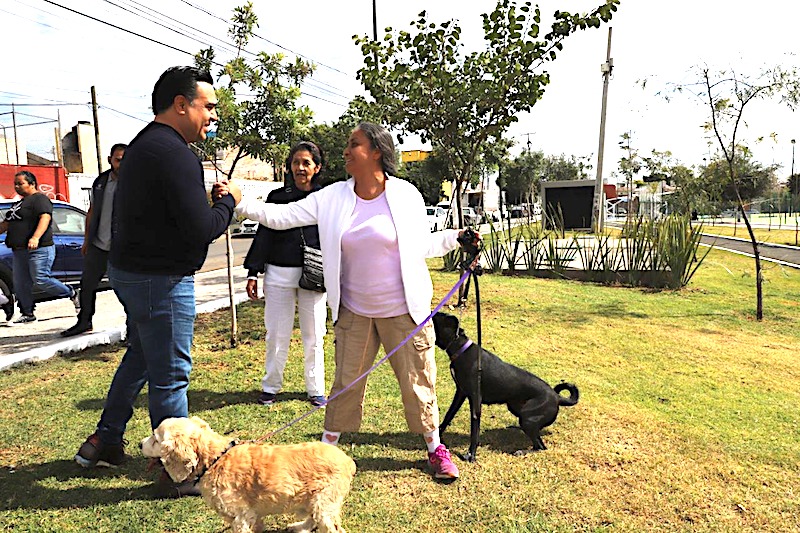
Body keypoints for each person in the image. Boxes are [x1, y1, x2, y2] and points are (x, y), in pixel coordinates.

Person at [234, 122, 478, 481]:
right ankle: (326, 449)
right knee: (346, 384)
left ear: (376, 152)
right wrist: (241, 203)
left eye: (354, 145)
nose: (346, 152)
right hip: (355, 312)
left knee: (418, 385)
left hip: (404, 313)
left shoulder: (406, 194)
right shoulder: (333, 197)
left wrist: (456, 238)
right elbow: (283, 217)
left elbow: (422, 245)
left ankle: (434, 449)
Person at [74, 67, 242, 497]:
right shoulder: (174, 153)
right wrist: (229, 204)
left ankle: (106, 439)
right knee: (170, 375)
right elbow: (200, 227)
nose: (213, 117)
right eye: (209, 107)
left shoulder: (146, 147)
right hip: (161, 280)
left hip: (135, 275)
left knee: (144, 358)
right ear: (181, 105)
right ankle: (177, 473)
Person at [243, 141, 328, 408]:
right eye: (296, 163)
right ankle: (271, 386)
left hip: (314, 275)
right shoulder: (277, 197)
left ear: (317, 167)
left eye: (306, 163)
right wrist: (253, 271)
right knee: (276, 334)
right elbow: (264, 235)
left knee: (314, 334)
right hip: (279, 274)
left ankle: (315, 389)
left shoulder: (326, 198)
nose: (300, 168)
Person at [61, 143, 127, 337]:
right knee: (87, 284)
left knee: (125, 287)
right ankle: (84, 321)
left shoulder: (135, 182)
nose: (122, 164)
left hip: (122, 247)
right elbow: (92, 211)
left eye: (126, 160)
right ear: (110, 160)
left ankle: (134, 326)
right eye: (118, 160)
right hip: (98, 244)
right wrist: (87, 240)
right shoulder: (101, 181)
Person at [0, 170, 80, 323]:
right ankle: (28, 313)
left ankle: (71, 293)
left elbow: (45, 217)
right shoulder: (18, 204)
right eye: (15, 184)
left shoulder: (40, 199)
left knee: (41, 278)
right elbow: (5, 224)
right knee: (21, 284)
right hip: (19, 250)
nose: (17, 187)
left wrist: (35, 237)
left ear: (32, 184)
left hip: (39, 248)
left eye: (20, 183)